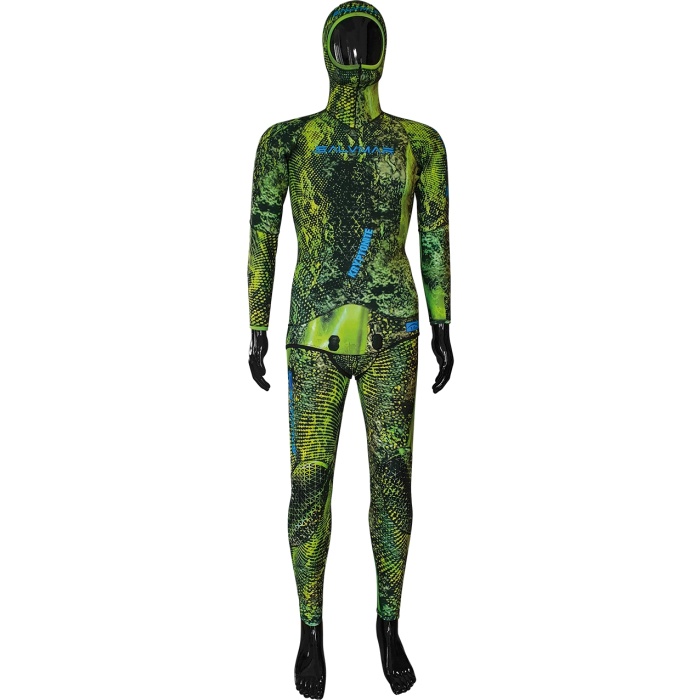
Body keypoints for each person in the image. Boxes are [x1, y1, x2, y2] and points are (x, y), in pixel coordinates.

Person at [247, 2, 453, 696]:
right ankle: (310, 631)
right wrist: (255, 323)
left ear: (385, 50)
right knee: (309, 484)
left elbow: (434, 234)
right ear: (327, 47)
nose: (357, 55)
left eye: (368, 42)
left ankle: (388, 625)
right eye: (348, 41)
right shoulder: (286, 141)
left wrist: (443, 321)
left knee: (393, 482)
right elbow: (262, 232)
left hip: (392, 330)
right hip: (316, 333)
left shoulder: (419, 143)